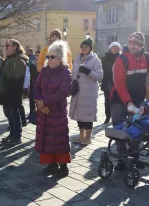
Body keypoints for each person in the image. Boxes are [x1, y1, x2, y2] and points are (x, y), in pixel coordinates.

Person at [111, 32, 149, 170]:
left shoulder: (148, 58)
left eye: (136, 44)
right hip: (119, 100)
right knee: (120, 129)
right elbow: (119, 84)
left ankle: (134, 156)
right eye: (131, 43)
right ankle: (122, 158)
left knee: (137, 129)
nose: (133, 46)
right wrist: (128, 102)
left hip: (138, 99)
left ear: (141, 45)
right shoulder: (121, 60)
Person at [33, 40, 72, 176]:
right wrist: (39, 101)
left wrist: (45, 101)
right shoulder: (44, 71)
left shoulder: (66, 73)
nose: (49, 59)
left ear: (60, 58)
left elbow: (63, 92)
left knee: (59, 139)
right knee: (47, 139)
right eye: (48, 56)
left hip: (57, 112)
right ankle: (52, 164)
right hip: (44, 112)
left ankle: (63, 166)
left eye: (52, 57)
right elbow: (36, 86)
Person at [69, 37, 103, 145]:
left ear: (90, 48)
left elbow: (100, 76)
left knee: (88, 115)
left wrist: (88, 72)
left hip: (89, 92)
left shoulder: (95, 60)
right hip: (78, 91)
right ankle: (81, 136)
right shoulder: (77, 58)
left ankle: (88, 137)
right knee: (79, 114)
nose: (83, 48)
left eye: (86, 47)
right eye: (82, 47)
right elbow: (73, 73)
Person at [0, 39, 28, 145]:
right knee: (9, 115)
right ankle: (12, 134)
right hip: (6, 92)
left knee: (14, 115)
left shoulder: (18, 60)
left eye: (8, 45)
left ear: (15, 47)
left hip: (13, 93)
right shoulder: (9, 59)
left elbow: (17, 79)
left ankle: (17, 137)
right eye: (6, 45)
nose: (6, 47)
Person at [100, 42, 122, 124]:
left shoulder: (120, 58)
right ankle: (107, 116)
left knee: (116, 101)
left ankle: (115, 116)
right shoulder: (105, 58)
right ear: (110, 49)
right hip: (107, 81)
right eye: (113, 48)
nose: (114, 49)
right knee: (107, 101)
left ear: (118, 49)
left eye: (116, 48)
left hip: (117, 83)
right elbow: (102, 70)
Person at [28, 50, 40, 119]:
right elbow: (31, 73)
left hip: (39, 85)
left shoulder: (42, 64)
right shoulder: (32, 63)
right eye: (36, 55)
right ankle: (31, 113)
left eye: (38, 55)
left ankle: (38, 113)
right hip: (33, 83)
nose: (37, 57)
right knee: (31, 99)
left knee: (37, 100)